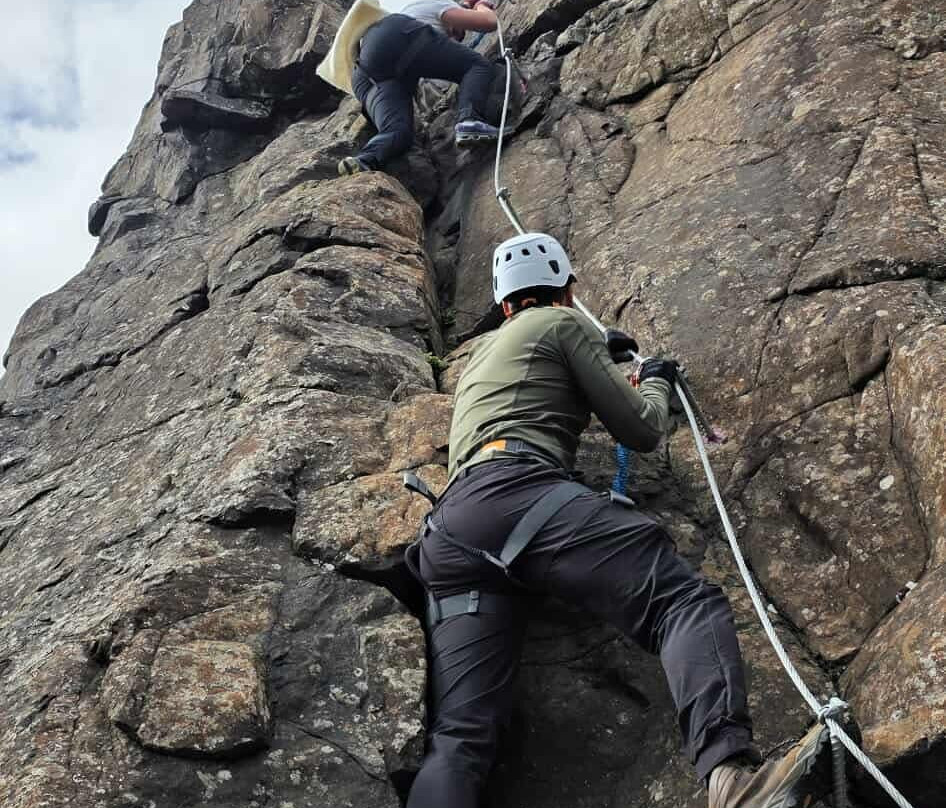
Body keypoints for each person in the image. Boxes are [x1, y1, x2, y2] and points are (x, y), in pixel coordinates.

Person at [404, 232, 836, 808]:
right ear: (565, 289)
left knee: (459, 736)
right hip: (516, 496)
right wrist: (653, 377)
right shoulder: (562, 323)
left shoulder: (482, 354)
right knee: (682, 601)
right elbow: (642, 429)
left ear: (505, 304)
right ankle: (733, 783)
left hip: (451, 532)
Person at [337, 0, 503, 175]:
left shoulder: (416, 22)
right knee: (476, 66)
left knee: (398, 131)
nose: (456, 38)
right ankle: (470, 121)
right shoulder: (437, 3)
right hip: (398, 35)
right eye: (460, 30)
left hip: (365, 73)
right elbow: (489, 22)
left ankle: (363, 161)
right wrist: (480, 5)